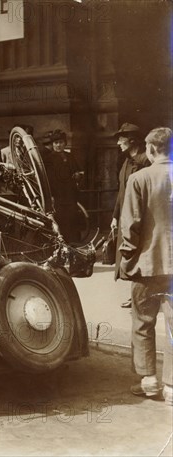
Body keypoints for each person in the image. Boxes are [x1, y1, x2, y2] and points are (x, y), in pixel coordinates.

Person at [118, 127, 172, 405]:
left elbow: (130, 227)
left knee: (143, 322)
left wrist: (127, 262)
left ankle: (149, 381)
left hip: (148, 265)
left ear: (150, 150)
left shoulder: (139, 179)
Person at [110, 123, 152, 307]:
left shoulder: (145, 161)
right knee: (130, 256)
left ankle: (144, 296)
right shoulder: (126, 161)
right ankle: (136, 295)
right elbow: (121, 191)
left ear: (132, 140)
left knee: (140, 254)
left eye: (121, 138)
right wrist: (115, 216)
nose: (118, 142)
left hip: (141, 217)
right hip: (126, 216)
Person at [43, 129, 83, 242]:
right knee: (60, 218)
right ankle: (62, 243)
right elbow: (48, 179)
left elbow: (78, 171)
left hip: (70, 193)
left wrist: (78, 175)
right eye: (56, 143)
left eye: (61, 142)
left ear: (65, 143)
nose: (58, 145)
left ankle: (73, 242)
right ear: (52, 144)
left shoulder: (70, 156)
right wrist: (51, 195)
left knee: (71, 217)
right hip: (57, 194)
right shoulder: (48, 159)